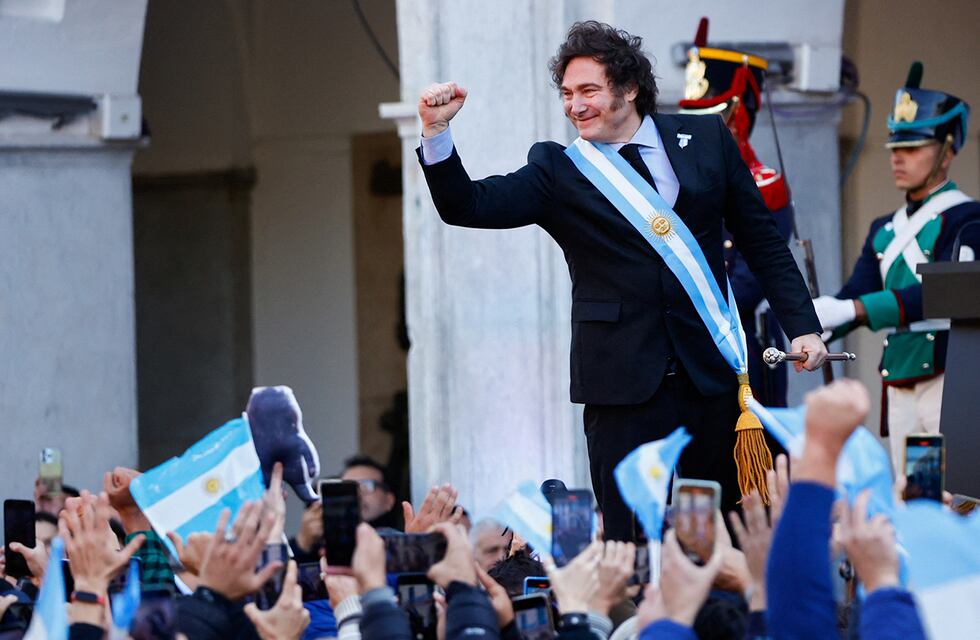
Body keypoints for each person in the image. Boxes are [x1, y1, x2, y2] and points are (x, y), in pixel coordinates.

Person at [416, 20, 825, 538]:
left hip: (710, 376)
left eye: (589, 90)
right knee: (630, 545)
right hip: (621, 384)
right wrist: (436, 132)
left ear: (629, 88)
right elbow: (466, 204)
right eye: (567, 94)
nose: (575, 105)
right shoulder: (558, 170)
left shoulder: (704, 139)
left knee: (729, 535)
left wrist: (803, 326)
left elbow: (762, 241)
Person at [811, 61, 979, 472]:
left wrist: (856, 310)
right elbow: (856, 293)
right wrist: (814, 321)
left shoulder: (969, 219)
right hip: (901, 376)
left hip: (951, 380)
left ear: (947, 149)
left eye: (912, 148)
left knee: (954, 500)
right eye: (894, 149)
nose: (898, 159)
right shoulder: (884, 228)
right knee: (914, 499)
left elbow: (953, 294)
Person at [677, 17, 796, 407]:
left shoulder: (766, 187)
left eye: (712, 123)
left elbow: (746, 285)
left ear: (737, 121)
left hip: (740, 347)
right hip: (682, 348)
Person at [341, 454, 401, 529]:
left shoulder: (400, 540)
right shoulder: (328, 539)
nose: (357, 494)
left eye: (365, 486)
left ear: (389, 500)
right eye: (348, 487)